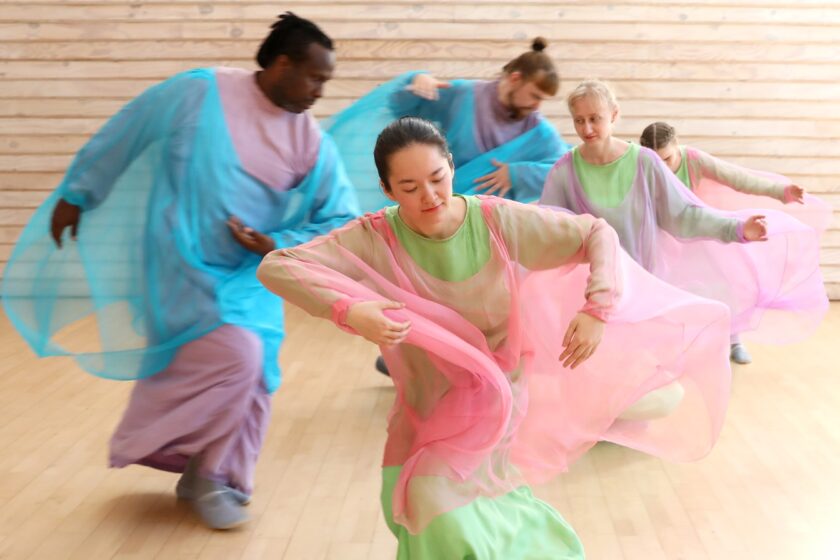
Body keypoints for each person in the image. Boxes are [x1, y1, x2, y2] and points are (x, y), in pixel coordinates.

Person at [257, 116, 735, 558]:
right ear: (386, 189)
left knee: (428, 498)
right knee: (405, 504)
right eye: (408, 186)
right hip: (422, 400)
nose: (430, 196)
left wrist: (597, 307)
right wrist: (351, 309)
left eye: (439, 177)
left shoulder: (496, 221)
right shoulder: (375, 237)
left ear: (451, 166)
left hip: (496, 395)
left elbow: (596, 233)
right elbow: (279, 264)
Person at [1, 13, 359, 529]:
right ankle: (176, 455)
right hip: (179, 265)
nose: (319, 92)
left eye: (325, 82)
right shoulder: (199, 92)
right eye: (315, 77)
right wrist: (79, 193)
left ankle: (214, 477)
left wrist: (274, 242)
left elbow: (340, 216)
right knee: (237, 356)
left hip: (249, 274)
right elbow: (129, 129)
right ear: (282, 64)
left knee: (256, 374)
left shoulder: (308, 139)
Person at [541, 80, 828, 365]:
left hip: (643, 285)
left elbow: (683, 215)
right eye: (579, 120)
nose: (587, 129)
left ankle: (732, 337)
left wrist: (737, 229)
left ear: (614, 115)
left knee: (639, 369)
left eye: (595, 119)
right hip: (595, 291)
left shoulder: (644, 162)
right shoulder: (565, 171)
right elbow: (546, 228)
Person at [324, 37, 570, 213]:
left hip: (492, 226)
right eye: (535, 95)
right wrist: (417, 80)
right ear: (516, 79)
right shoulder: (464, 95)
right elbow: (401, 105)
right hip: (436, 209)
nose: (537, 106)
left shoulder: (538, 131)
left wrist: (518, 174)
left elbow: (568, 168)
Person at [639, 120, 832, 236]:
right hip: (656, 233)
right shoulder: (640, 163)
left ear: (676, 145)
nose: (661, 166)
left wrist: (780, 191)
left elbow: (738, 179)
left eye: (667, 159)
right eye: (656, 160)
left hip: (692, 227)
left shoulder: (693, 160)